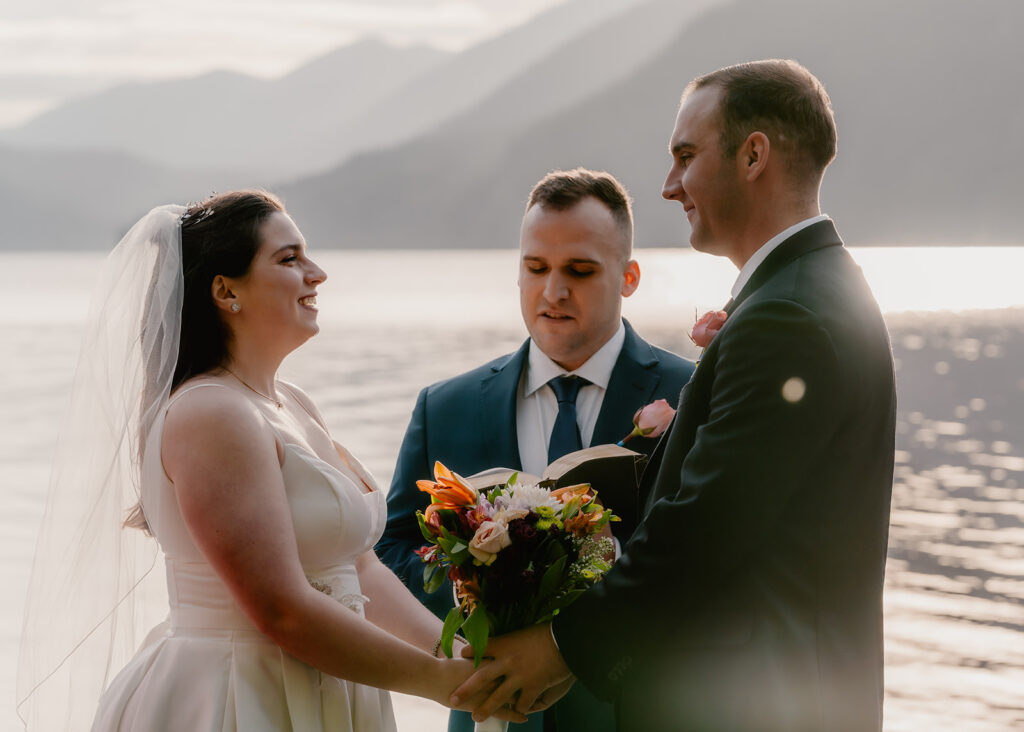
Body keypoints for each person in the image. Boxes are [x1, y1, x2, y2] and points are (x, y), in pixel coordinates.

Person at [451, 60, 897, 732]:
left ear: (754, 155)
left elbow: (707, 528)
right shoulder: (809, 291)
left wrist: (559, 648)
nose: (667, 186)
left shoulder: (788, 317)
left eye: (685, 157)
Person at [16, 190, 525, 731]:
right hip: (240, 692)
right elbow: (280, 609)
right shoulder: (211, 413)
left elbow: (356, 567)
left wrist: (458, 655)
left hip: (330, 680)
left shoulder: (293, 403)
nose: (318, 273)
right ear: (225, 290)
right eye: (289, 259)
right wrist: (438, 685)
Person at [376, 168, 695, 732]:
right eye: (535, 268)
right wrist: (474, 602)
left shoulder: (690, 395)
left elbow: (711, 556)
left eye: (579, 270)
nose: (553, 291)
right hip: (488, 715)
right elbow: (391, 548)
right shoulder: (443, 406)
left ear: (629, 276)